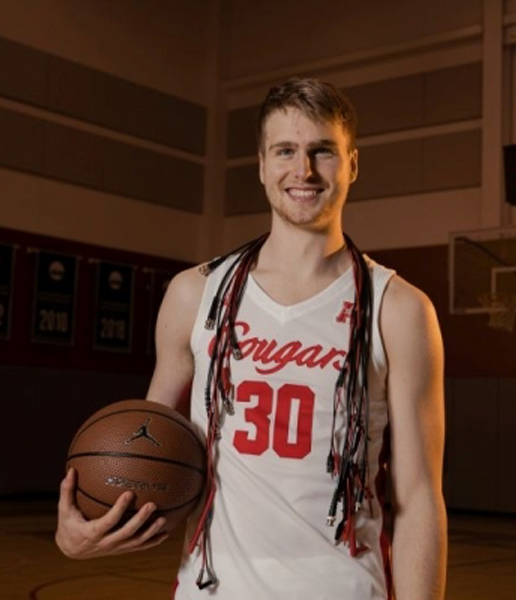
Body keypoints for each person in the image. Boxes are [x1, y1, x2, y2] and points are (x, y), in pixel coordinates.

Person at [56, 77, 447, 599]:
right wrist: (77, 533)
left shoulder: (399, 310)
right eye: (285, 150)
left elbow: (419, 497)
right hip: (211, 589)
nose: (303, 170)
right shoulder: (194, 295)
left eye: (323, 151)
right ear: (262, 166)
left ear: (352, 164)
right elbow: (145, 453)